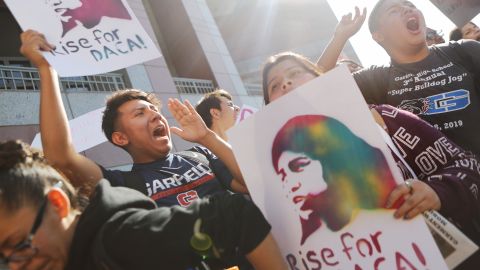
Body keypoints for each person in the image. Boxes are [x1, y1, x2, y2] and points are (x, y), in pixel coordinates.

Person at [262, 52, 480, 266]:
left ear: (320, 78)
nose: (286, 83)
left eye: (295, 72)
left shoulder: (382, 119)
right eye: (274, 85)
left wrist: (437, 192)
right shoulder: (273, 182)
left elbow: (466, 164)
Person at [20, 30, 247, 207]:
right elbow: (60, 156)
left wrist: (207, 137)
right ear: (120, 137)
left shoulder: (201, 155)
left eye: (154, 110)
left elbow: (249, 184)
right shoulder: (121, 185)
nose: (154, 115)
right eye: (140, 113)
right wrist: (47, 70)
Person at [0, 140, 287, 270]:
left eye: (20, 243)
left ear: (58, 204)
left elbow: (234, 214)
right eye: (3, 256)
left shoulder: (125, 240)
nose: (15, 265)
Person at [352, 0, 480, 158]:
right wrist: (340, 37)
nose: (407, 9)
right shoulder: (375, 78)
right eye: (393, 11)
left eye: (411, 6)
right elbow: (319, 91)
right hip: (437, 182)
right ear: (378, 35)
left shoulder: (464, 50)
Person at [271, 114, 396, 245]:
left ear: (333, 161)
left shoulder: (394, 218)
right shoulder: (303, 250)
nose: (290, 185)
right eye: (282, 176)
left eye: (299, 166)